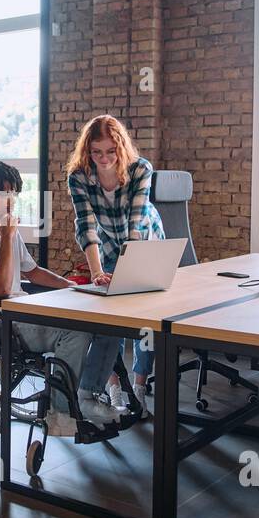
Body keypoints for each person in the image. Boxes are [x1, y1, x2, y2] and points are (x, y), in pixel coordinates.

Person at [0, 162, 119, 437]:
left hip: (22, 311)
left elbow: (33, 271)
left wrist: (75, 287)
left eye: (13, 194)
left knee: (104, 322)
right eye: (4, 193)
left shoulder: (8, 235)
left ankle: (88, 395)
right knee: (75, 332)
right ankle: (59, 414)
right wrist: (7, 236)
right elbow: (2, 288)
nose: (11, 201)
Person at [67, 114, 166, 412]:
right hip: (108, 243)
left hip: (145, 241)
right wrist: (97, 272)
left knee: (146, 319)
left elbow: (135, 224)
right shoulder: (79, 177)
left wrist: (132, 271)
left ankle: (139, 384)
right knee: (108, 317)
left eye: (110, 151)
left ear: (120, 148)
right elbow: (85, 225)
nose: (104, 158)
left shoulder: (140, 170)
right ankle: (112, 387)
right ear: (88, 151)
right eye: (97, 152)